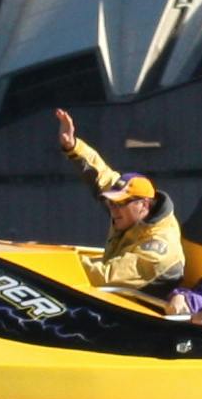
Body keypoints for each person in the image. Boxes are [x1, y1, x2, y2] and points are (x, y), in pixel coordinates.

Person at [52, 108, 181, 293]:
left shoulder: (158, 249)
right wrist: (73, 146)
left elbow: (105, 276)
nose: (113, 209)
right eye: (111, 203)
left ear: (143, 204)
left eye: (119, 204)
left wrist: (55, 264)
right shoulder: (131, 212)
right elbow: (101, 173)